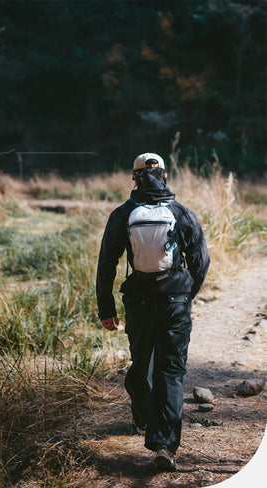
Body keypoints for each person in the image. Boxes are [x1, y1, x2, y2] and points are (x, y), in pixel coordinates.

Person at [96, 153, 210, 471]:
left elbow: (107, 263)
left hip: (138, 302)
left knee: (141, 365)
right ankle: (164, 446)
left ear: (134, 178)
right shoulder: (181, 212)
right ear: (165, 176)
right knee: (170, 372)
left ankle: (143, 420)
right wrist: (188, 293)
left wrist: (106, 308)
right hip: (176, 299)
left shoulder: (123, 214)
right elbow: (201, 260)